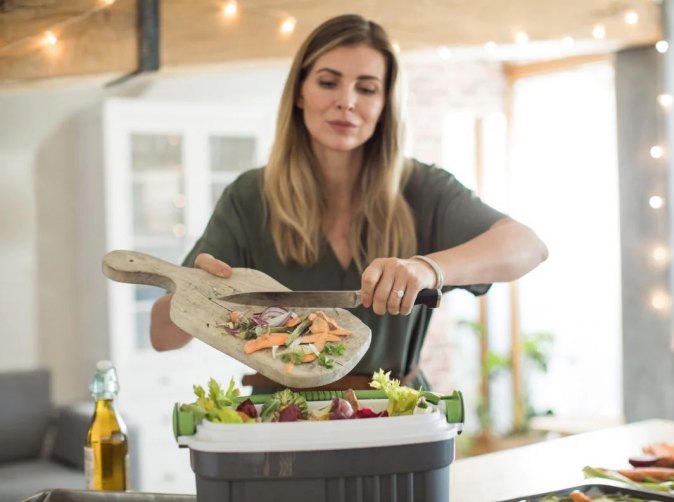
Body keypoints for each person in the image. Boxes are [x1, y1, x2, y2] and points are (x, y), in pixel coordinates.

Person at [149, 13, 548, 390]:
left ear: (385, 103)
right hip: (283, 429)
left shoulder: (423, 188)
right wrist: (196, 295)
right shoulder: (249, 196)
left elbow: (528, 246)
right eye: (328, 82)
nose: (347, 101)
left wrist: (428, 269)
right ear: (300, 93)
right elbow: (162, 338)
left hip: (397, 419)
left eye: (367, 88)